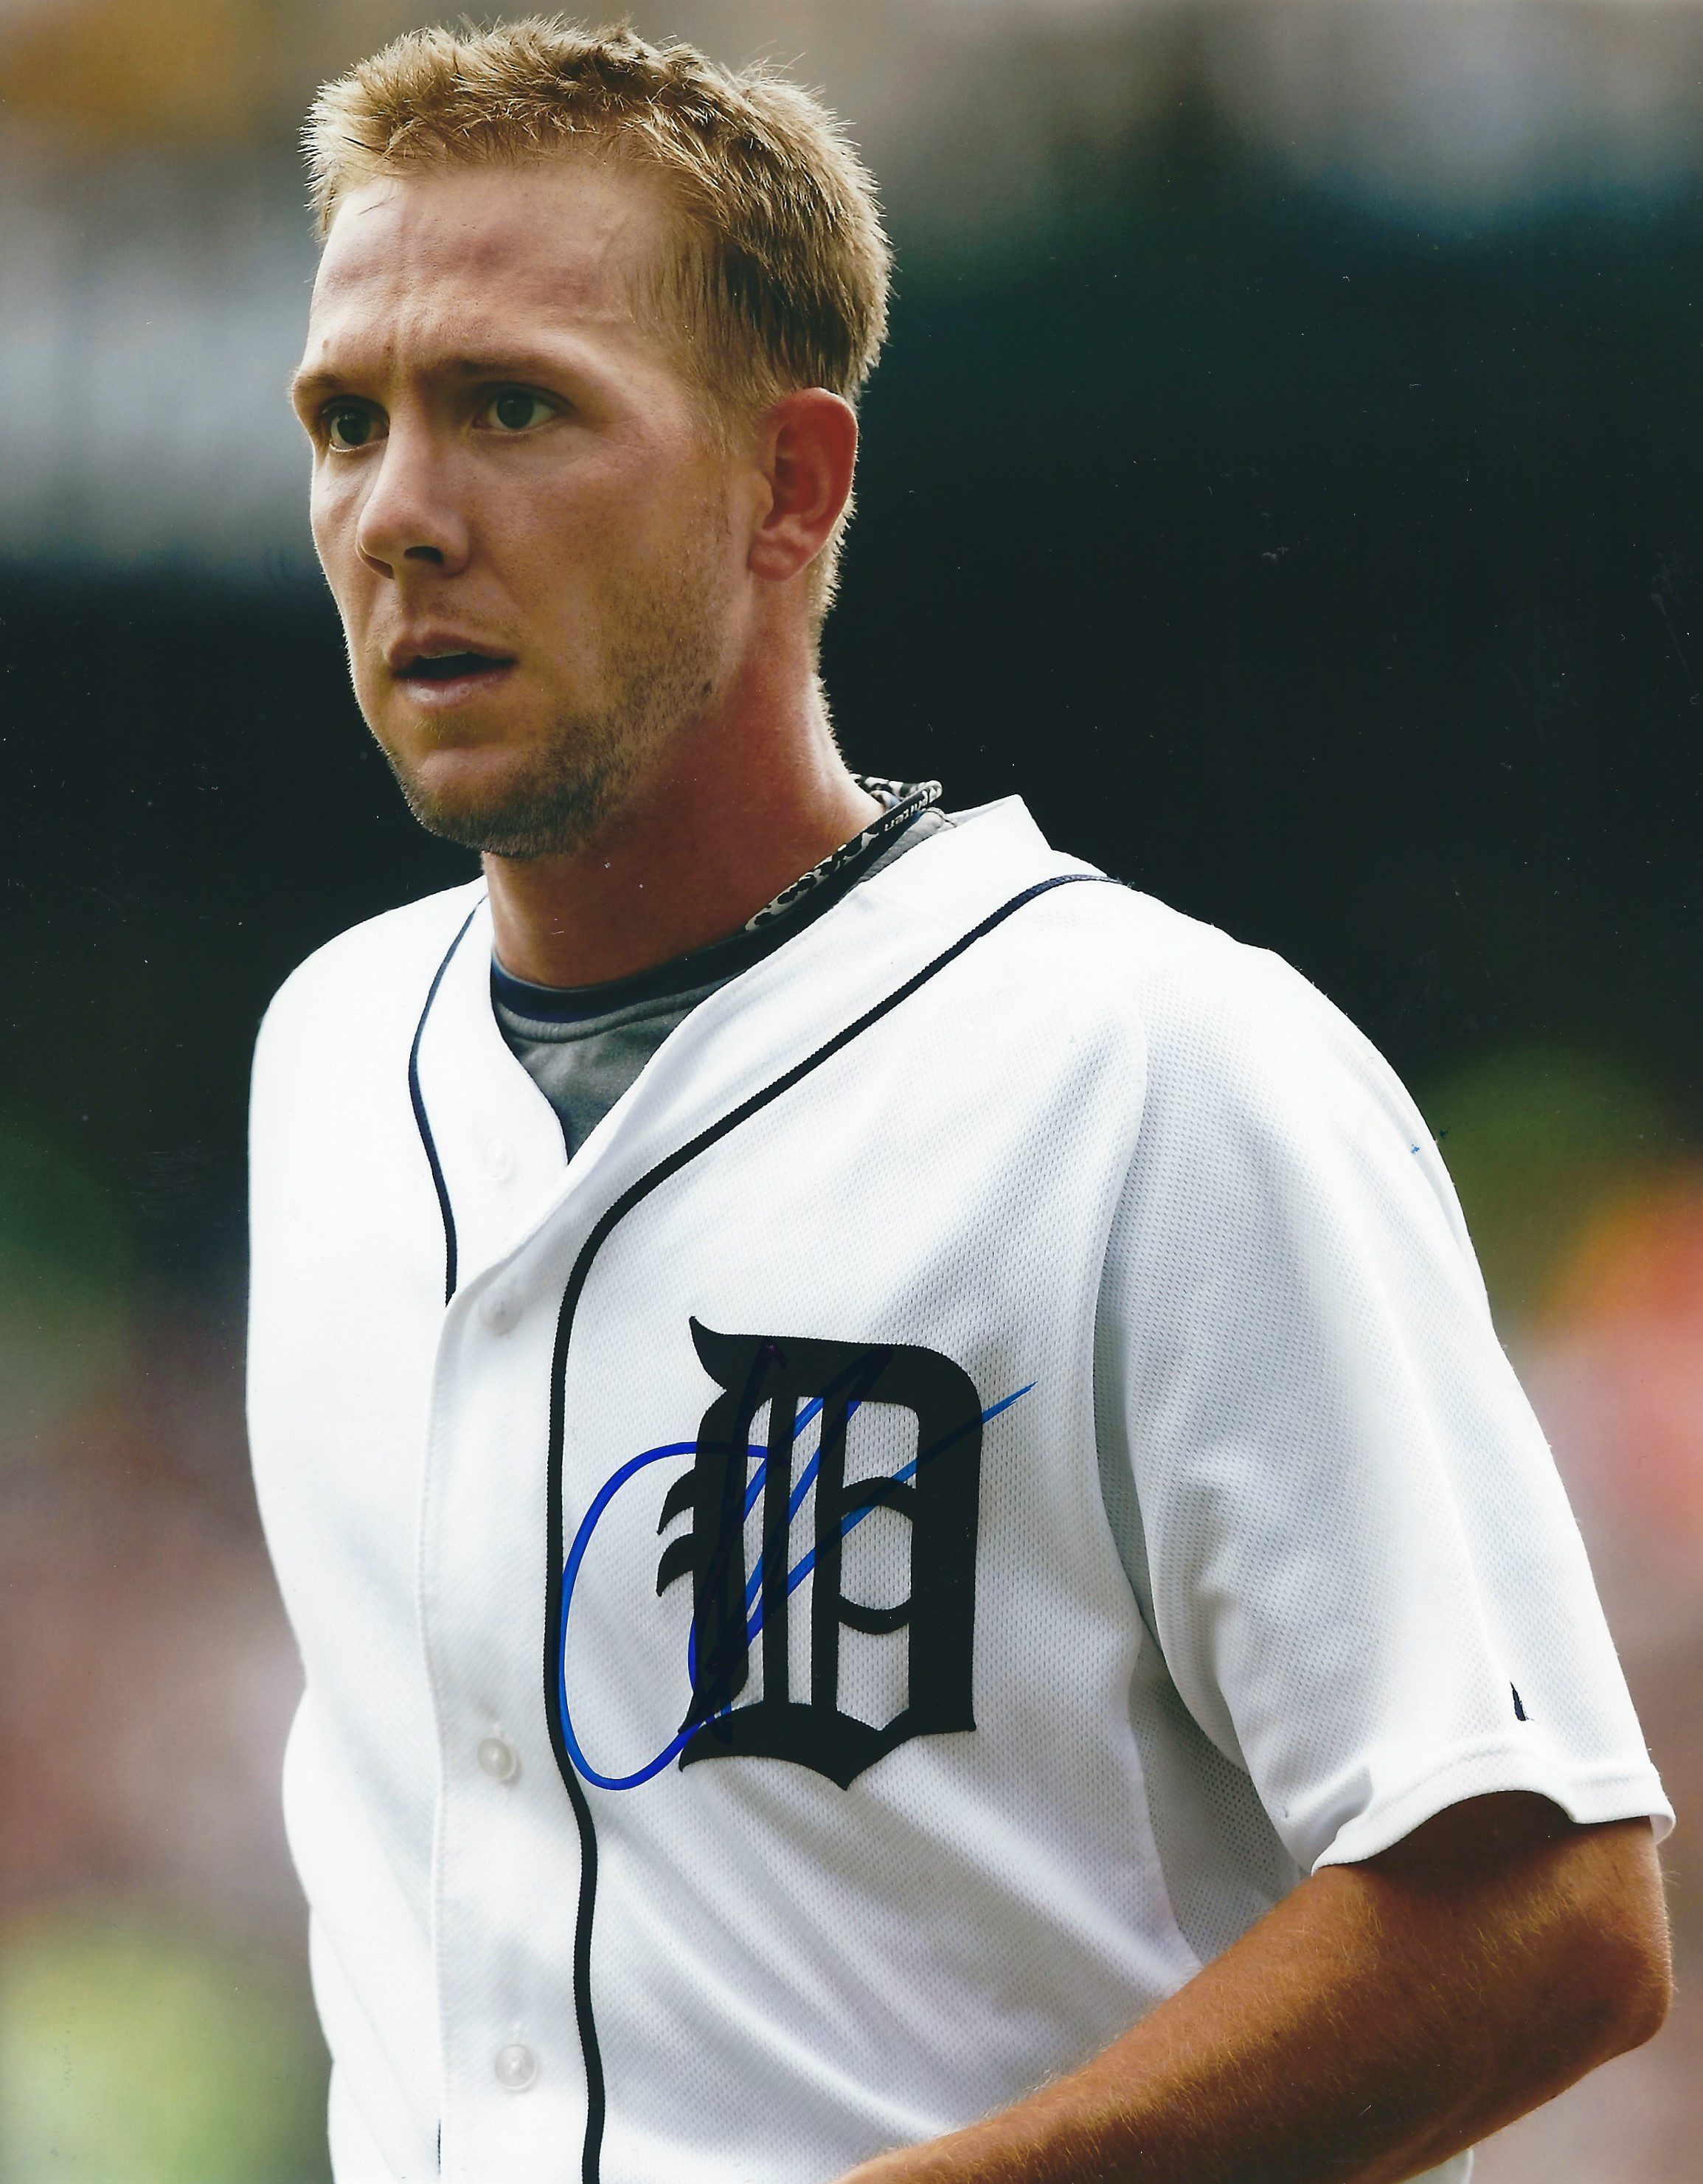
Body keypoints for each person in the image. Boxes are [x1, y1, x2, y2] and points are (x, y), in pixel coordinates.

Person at [247, 20, 1673, 2184]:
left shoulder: (1155, 1074)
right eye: (348, 421)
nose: (403, 514)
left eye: (513, 407)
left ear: (788, 487)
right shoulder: (328, 1057)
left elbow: (1549, 1918)